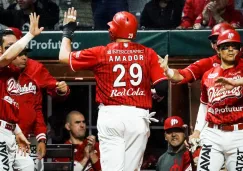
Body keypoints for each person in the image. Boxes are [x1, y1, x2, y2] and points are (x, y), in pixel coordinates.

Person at [58, 7, 168, 171]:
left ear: (114, 30)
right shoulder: (148, 53)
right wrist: (153, 94)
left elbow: (63, 57)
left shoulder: (101, 52)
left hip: (111, 116)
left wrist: (67, 32)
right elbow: (163, 87)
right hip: (138, 117)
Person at [3, 27, 70, 171]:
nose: (23, 56)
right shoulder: (3, 69)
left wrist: (62, 90)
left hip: (23, 135)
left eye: (24, 52)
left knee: (28, 166)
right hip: (4, 132)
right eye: (14, 50)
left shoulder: (34, 69)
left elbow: (38, 105)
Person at [191, 29, 243, 170]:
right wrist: (197, 131)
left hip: (239, 134)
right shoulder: (208, 75)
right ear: (218, 50)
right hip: (213, 133)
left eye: (235, 46)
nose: (231, 50)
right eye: (226, 47)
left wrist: (238, 82)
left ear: (240, 49)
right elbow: (204, 106)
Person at [0, 12, 43, 171]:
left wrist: (17, 132)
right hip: (0, 134)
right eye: (9, 46)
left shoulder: (13, 72)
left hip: (11, 132)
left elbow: (7, 107)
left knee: (28, 167)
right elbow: (6, 57)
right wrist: (30, 35)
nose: (15, 50)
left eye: (16, 45)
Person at [159, 22, 234, 84]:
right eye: (215, 42)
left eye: (223, 41)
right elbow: (182, 75)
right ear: (212, 45)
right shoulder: (206, 63)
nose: (217, 45)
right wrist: (168, 71)